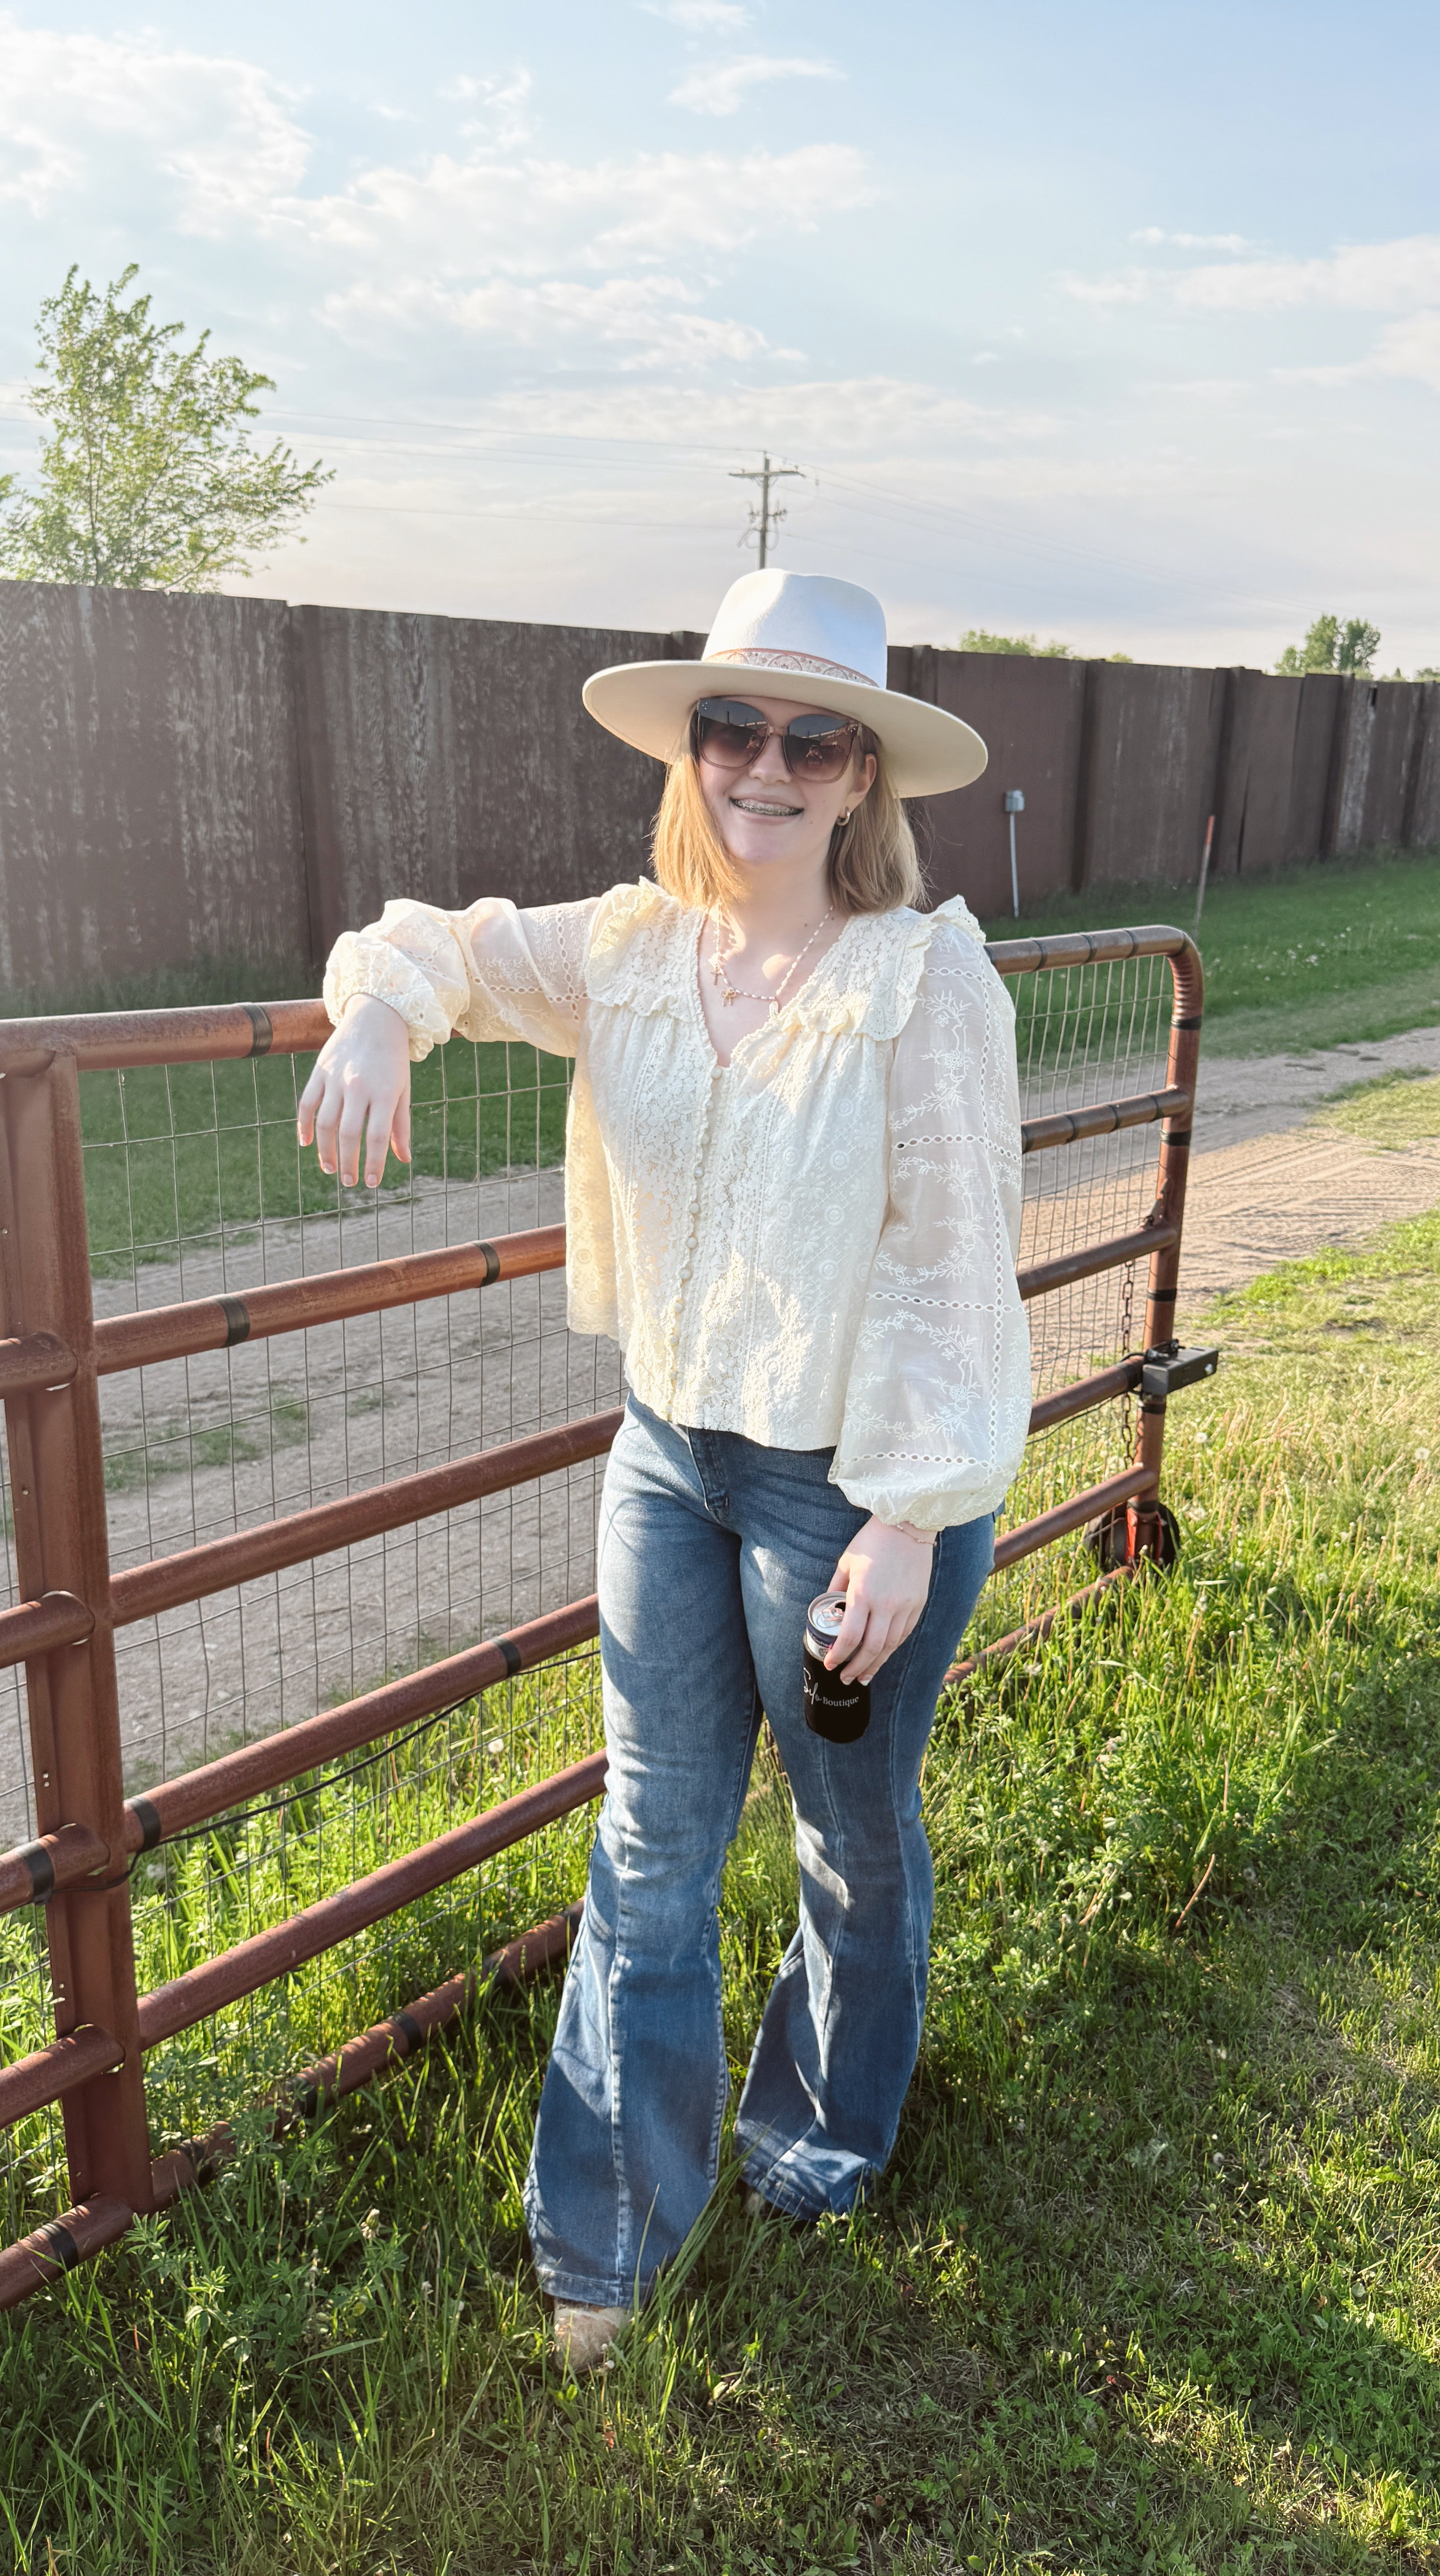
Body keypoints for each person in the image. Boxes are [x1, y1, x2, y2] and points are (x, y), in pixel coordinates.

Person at [297, 569, 1033, 2371]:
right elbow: (436, 941)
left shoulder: (919, 981)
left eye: (812, 740)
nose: (764, 767)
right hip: (665, 1457)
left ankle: (819, 2140)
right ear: (688, 749)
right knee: (650, 1836)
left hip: (846, 1488)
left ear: (862, 777)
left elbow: (954, 1260)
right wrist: (379, 1015)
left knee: (849, 1832)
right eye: (733, 728)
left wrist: (906, 1517)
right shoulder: (626, 947)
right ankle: (607, 2249)